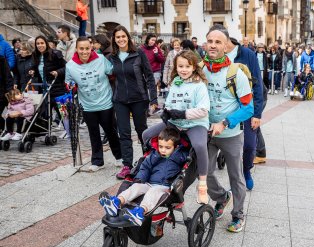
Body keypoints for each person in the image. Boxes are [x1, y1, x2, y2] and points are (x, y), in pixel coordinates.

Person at [203, 26, 254, 232]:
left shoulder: (235, 73)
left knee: (236, 176)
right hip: (206, 132)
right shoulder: (199, 68)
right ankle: (221, 197)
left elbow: (248, 108)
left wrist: (224, 122)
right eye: (210, 41)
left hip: (230, 133)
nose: (213, 45)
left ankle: (238, 214)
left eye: (218, 42)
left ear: (226, 46)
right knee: (204, 171)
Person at [143, 50, 210, 204]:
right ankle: (153, 166)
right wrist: (166, 112)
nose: (183, 69)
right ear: (176, 67)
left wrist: (182, 114)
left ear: (193, 67)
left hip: (195, 124)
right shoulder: (175, 83)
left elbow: (203, 110)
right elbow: (170, 104)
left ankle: (202, 185)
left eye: (187, 66)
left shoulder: (199, 85)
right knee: (147, 135)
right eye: (180, 66)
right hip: (176, 123)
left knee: (200, 145)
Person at [98, 128, 188, 225]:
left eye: (167, 148)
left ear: (175, 147)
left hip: (165, 187)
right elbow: (145, 167)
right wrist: (140, 179)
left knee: (153, 191)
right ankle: (116, 202)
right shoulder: (154, 154)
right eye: (160, 146)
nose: (163, 150)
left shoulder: (179, 156)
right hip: (149, 183)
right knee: (136, 187)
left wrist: (177, 152)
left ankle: (140, 212)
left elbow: (186, 158)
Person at [65, 37, 122, 171]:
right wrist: (70, 86)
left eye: (87, 48)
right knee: (93, 133)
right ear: (77, 49)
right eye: (81, 49)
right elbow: (68, 83)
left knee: (111, 131)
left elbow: (112, 73)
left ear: (91, 47)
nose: (84, 52)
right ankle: (97, 161)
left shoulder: (101, 59)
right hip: (87, 104)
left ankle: (119, 156)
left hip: (105, 102)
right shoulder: (70, 65)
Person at [108, 25, 158, 179]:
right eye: (118, 37)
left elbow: (149, 76)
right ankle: (127, 165)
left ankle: (147, 160)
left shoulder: (138, 53)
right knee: (123, 133)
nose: (121, 39)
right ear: (114, 40)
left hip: (139, 98)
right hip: (120, 100)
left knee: (142, 131)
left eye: (123, 36)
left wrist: (153, 99)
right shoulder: (111, 57)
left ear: (127, 38)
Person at [224, 35, 263, 191]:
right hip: (225, 107)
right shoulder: (214, 56)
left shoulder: (247, 54)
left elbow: (257, 83)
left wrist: (257, 114)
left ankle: (246, 170)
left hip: (246, 105)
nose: (214, 45)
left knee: (249, 145)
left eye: (219, 40)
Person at [30, 35, 67, 127]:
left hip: (58, 89)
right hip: (44, 90)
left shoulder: (55, 53)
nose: (40, 45)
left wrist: (57, 72)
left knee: (63, 114)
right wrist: (32, 71)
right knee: (44, 114)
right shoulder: (35, 55)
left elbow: (66, 67)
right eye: (37, 43)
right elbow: (35, 67)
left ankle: (71, 132)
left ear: (46, 43)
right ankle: (46, 133)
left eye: (42, 43)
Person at [0, 56, 14, 133]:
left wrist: (9, 91)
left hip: (2, 92)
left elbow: (8, 76)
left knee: (4, 112)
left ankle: (6, 130)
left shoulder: (2, 60)